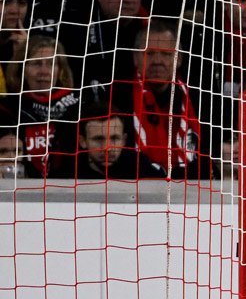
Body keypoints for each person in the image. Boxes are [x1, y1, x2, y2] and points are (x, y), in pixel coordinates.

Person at [105, 19, 214, 179]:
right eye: (149, 53)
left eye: (166, 54)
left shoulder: (199, 99)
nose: (157, 61)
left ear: (179, 59)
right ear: (135, 58)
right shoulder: (116, 97)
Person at [0, 36, 80, 177]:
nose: (44, 71)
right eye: (36, 64)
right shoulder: (6, 110)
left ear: (60, 70)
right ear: (22, 69)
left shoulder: (77, 107)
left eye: (51, 64)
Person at [66, 108, 167, 180]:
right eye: (98, 139)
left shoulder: (143, 168)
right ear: (82, 141)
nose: (107, 148)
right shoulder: (66, 175)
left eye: (114, 138)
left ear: (123, 140)